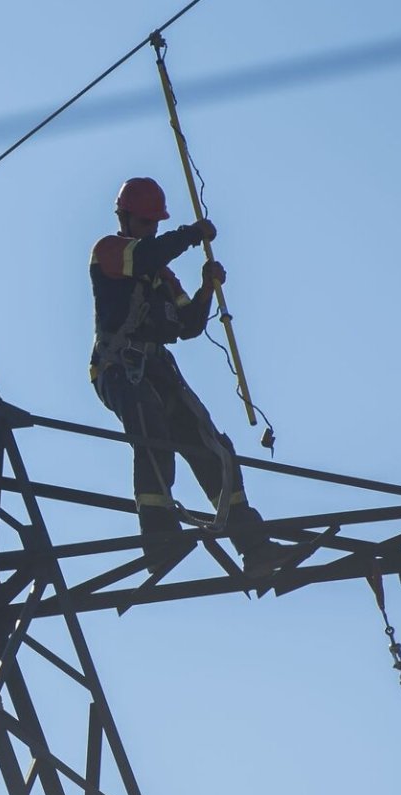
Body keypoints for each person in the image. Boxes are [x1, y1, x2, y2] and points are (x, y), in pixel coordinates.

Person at [89, 177, 293, 574]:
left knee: (211, 443)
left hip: (157, 368)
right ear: (126, 218)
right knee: (152, 433)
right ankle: (159, 540)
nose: (152, 230)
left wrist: (205, 288)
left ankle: (254, 545)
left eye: (155, 224)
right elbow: (148, 254)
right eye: (146, 223)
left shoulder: (162, 275)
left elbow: (187, 325)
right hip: (117, 368)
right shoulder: (110, 252)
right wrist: (192, 235)